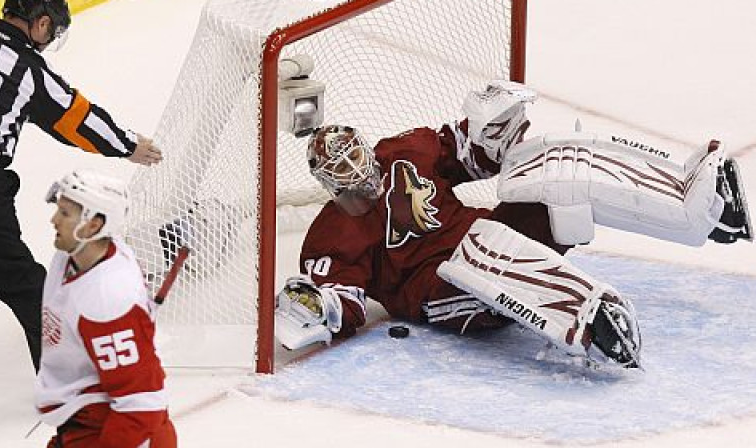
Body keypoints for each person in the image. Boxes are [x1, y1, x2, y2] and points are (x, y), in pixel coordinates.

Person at [274, 80, 752, 369]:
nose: (353, 166)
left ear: (364, 144)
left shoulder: (404, 151)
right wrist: (321, 308)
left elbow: (473, 157)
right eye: (338, 166)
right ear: (325, 180)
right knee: (484, 248)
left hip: (490, 239)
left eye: (353, 152)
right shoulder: (331, 234)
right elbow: (343, 303)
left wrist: (492, 127)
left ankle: (699, 209)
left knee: (555, 168)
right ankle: (585, 320)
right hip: (444, 294)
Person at [0, 0, 163, 371]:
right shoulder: (29, 71)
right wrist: (128, 144)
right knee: (18, 279)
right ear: (41, 23)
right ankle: (64, 369)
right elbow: (77, 119)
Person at [37, 170, 176, 448]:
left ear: (93, 225)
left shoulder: (108, 299)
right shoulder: (72, 255)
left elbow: (142, 403)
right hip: (83, 422)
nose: (54, 220)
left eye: (65, 213)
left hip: (114, 432)